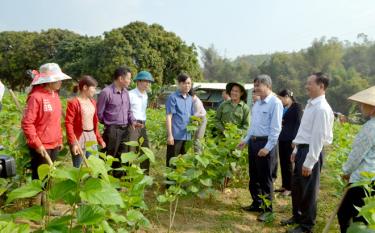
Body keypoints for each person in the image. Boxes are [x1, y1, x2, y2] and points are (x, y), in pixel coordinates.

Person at [282, 72, 334, 233]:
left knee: (308, 190)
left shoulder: (322, 109)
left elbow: (318, 137)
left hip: (312, 151)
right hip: (302, 149)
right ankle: (297, 216)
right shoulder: (311, 104)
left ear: (321, 86)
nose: (306, 86)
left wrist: (310, 161)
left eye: (310, 83)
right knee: (297, 187)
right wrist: (296, 149)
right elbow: (304, 130)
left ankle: (306, 225)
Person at [238, 74, 283, 222]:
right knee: (254, 176)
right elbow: (253, 126)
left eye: (258, 85)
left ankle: (268, 209)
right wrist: (245, 140)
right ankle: (256, 203)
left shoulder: (275, 103)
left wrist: (268, 147)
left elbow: (276, 129)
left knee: (265, 178)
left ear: (268, 86)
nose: (255, 88)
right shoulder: (257, 104)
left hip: (265, 144)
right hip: (254, 143)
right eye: (255, 85)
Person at [22, 63, 71, 181]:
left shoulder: (55, 95)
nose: (60, 82)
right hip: (41, 144)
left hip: (54, 143)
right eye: (57, 79)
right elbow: (27, 123)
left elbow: (56, 120)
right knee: (39, 179)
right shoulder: (36, 97)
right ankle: (35, 199)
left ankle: (45, 199)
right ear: (48, 81)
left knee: (48, 178)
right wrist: (37, 144)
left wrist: (59, 139)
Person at [337, 86, 375, 233]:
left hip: (362, 179)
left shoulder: (370, 127)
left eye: (362, 104)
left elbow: (357, 155)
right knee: (363, 218)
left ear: (372, 108)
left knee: (347, 215)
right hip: (372, 179)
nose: (360, 106)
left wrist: (346, 171)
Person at [97, 67, 141, 177]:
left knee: (121, 156)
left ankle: (116, 182)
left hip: (125, 129)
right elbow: (99, 114)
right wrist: (109, 123)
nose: (130, 81)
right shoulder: (106, 93)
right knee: (108, 156)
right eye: (129, 79)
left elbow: (129, 111)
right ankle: (102, 180)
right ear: (121, 78)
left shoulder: (126, 93)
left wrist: (133, 122)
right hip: (112, 130)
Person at [65, 75, 106, 168]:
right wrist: (73, 143)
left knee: (94, 166)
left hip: (92, 136)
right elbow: (69, 123)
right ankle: (77, 183)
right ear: (85, 87)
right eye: (93, 88)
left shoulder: (93, 102)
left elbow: (95, 123)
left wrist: (100, 139)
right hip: (79, 137)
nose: (95, 91)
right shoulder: (74, 103)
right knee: (78, 167)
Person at [276, 89, 303, 196]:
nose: (280, 101)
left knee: (289, 164)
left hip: (291, 139)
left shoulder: (297, 107)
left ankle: (290, 188)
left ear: (287, 97)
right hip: (282, 138)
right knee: (283, 162)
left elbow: (298, 124)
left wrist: (295, 140)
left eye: (281, 98)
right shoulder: (284, 107)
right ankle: (284, 185)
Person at [128, 71, 154, 174]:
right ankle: (128, 176)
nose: (147, 84)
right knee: (131, 150)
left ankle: (145, 175)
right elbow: (127, 111)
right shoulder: (131, 94)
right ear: (138, 82)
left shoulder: (145, 95)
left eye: (149, 82)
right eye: (145, 81)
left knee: (145, 150)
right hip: (133, 125)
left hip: (143, 124)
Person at [165, 73, 194, 167]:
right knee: (172, 161)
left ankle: (179, 181)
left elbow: (191, 116)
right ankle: (170, 181)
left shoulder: (190, 98)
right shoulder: (173, 97)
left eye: (189, 83)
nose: (187, 85)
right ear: (179, 84)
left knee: (182, 162)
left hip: (187, 135)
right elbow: (169, 116)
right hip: (176, 135)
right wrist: (170, 135)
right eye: (185, 83)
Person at [189, 89, 207, 154]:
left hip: (201, 120)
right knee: (195, 139)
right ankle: (196, 153)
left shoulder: (197, 102)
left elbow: (195, 116)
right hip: (195, 119)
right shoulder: (192, 100)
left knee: (198, 139)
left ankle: (198, 155)